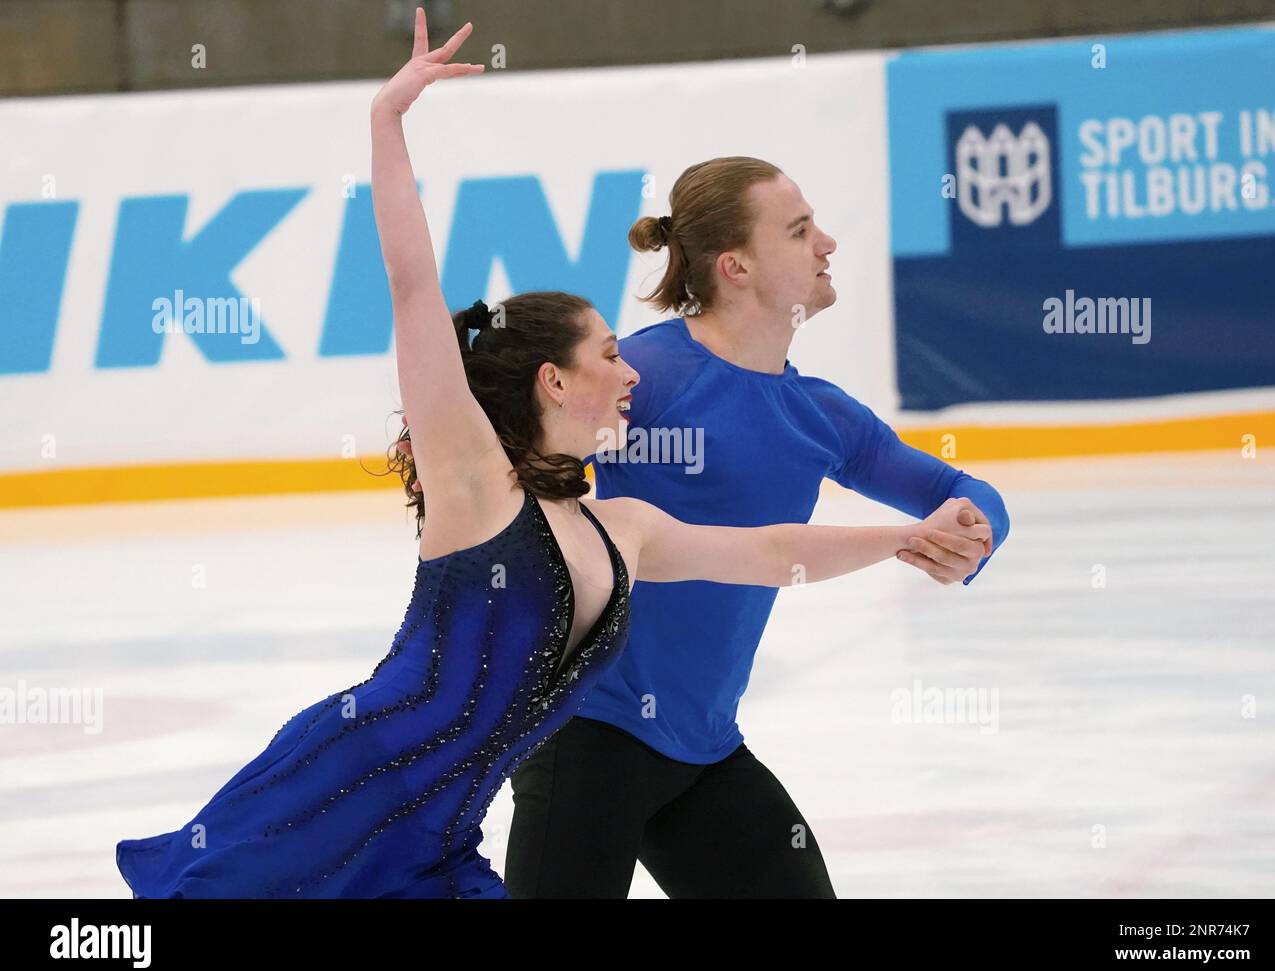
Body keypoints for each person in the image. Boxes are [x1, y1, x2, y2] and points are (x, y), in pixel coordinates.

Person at [114, 13, 993, 900]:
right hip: (346, 793)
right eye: (610, 355)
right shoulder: (476, 490)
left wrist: (909, 540)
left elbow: (769, 551)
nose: (630, 372)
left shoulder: (625, 528)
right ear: (554, 381)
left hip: (453, 832)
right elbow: (413, 284)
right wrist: (387, 122)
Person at [500, 157, 1012, 898]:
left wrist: (970, 527)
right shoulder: (642, 376)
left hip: (703, 751)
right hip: (586, 741)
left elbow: (962, 488)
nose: (828, 243)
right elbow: (514, 450)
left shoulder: (821, 415)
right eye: (801, 231)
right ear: (735, 266)